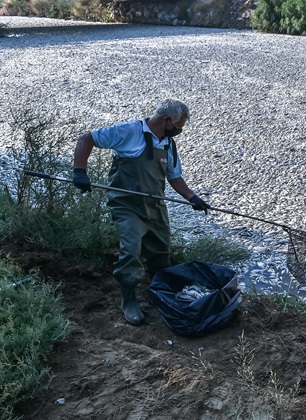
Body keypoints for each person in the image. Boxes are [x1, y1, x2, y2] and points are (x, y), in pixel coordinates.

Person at [72, 98, 210, 325]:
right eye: (178, 126)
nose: (180, 130)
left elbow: (174, 177)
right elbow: (87, 138)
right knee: (131, 251)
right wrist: (80, 171)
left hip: (155, 206)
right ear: (166, 120)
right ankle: (128, 301)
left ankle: (159, 293)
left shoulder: (168, 144)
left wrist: (193, 198)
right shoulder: (129, 131)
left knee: (160, 253)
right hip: (126, 205)